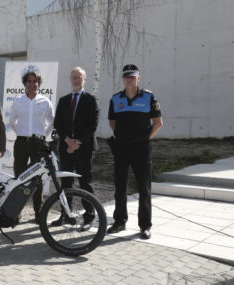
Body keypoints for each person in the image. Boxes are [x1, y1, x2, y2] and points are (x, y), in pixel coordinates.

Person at [107, 64, 163, 240]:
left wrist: (145, 138)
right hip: (121, 147)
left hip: (141, 148)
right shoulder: (116, 99)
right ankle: (119, 221)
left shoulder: (149, 97)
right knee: (120, 187)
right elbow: (112, 123)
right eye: (126, 77)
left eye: (133, 76)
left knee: (144, 188)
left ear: (138, 78)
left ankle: (145, 226)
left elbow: (158, 123)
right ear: (123, 79)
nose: (129, 79)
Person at [52, 67, 99, 229]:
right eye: (74, 77)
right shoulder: (63, 100)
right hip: (65, 147)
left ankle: (89, 215)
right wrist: (67, 141)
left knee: (85, 182)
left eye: (79, 77)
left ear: (84, 80)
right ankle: (66, 213)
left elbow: (92, 125)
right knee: (66, 182)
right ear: (70, 80)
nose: (76, 80)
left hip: (84, 148)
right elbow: (57, 123)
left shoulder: (90, 99)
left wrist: (77, 143)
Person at [9, 70, 54, 223]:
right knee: (19, 178)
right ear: (25, 84)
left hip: (38, 144)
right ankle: (15, 213)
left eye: (35, 81)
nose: (32, 84)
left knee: (37, 179)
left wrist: (42, 136)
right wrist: (22, 134)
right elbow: (12, 122)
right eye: (29, 81)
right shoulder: (18, 101)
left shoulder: (45, 101)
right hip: (21, 143)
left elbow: (51, 123)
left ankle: (38, 213)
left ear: (38, 84)